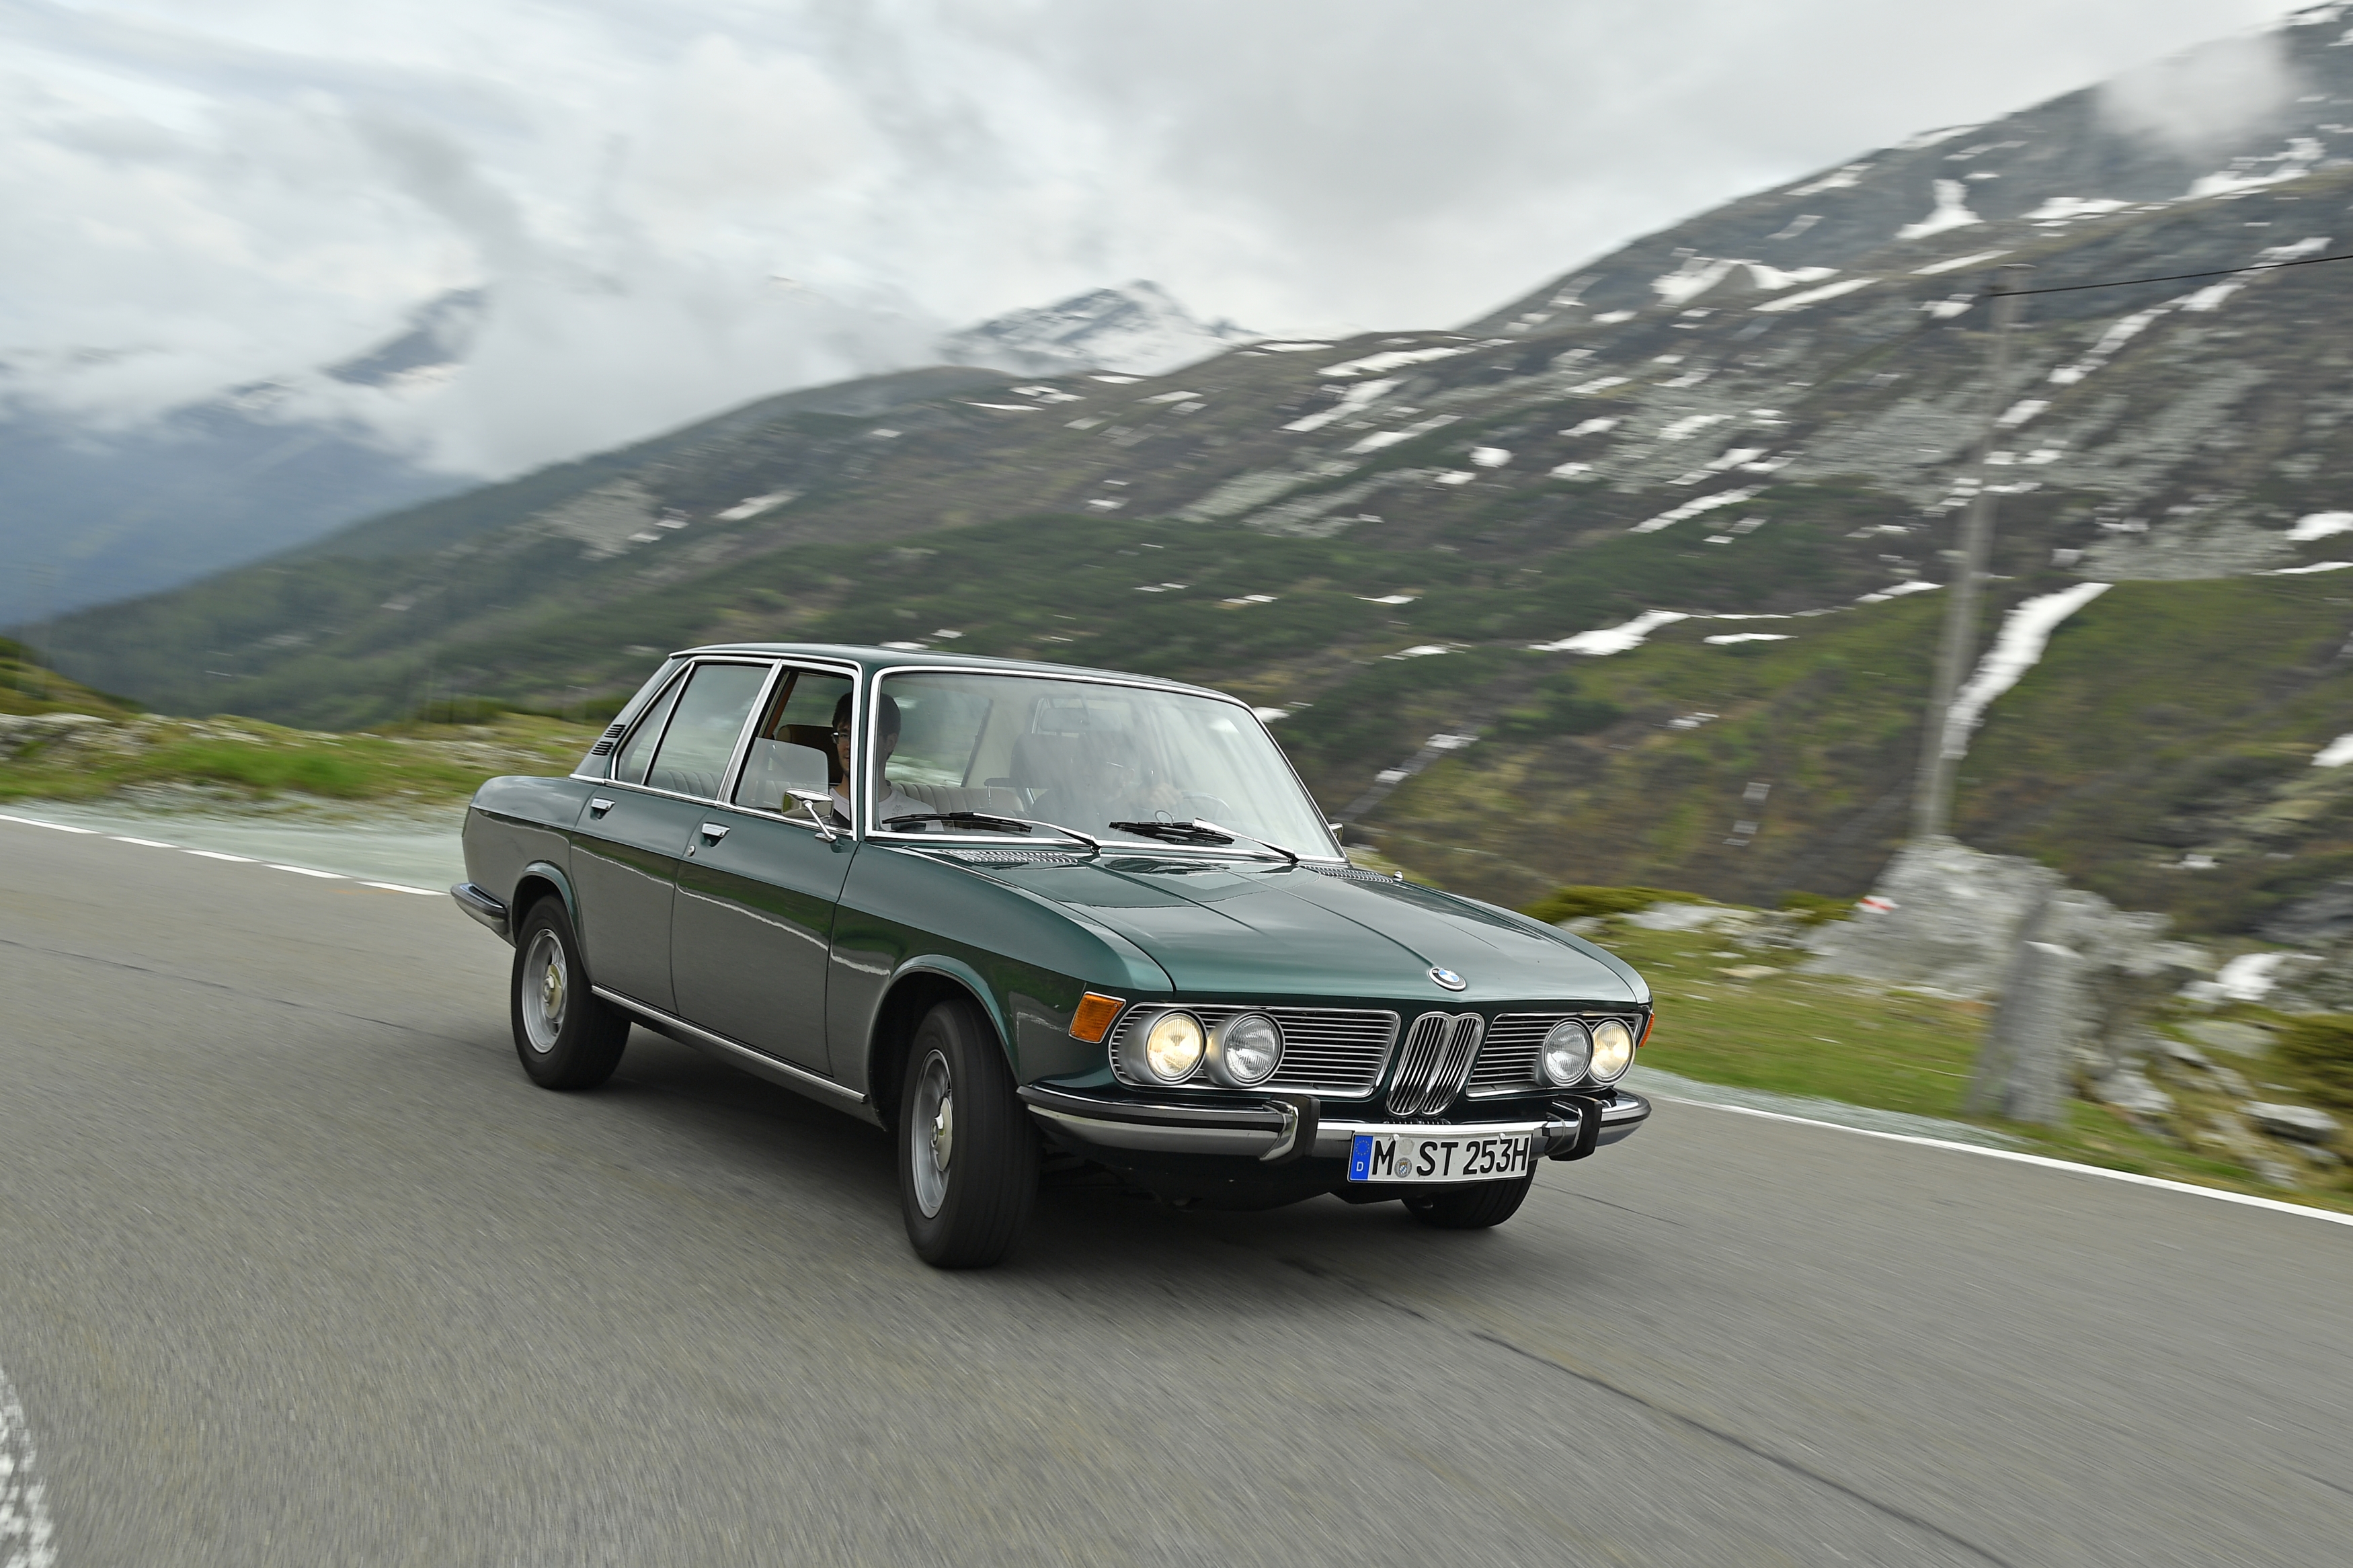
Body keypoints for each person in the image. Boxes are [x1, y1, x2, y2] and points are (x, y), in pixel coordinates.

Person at [831, 692, 924, 828]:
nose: (850, 746)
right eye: (844, 735)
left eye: (864, 736)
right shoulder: (811, 810)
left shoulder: (922, 817)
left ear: (890, 742)